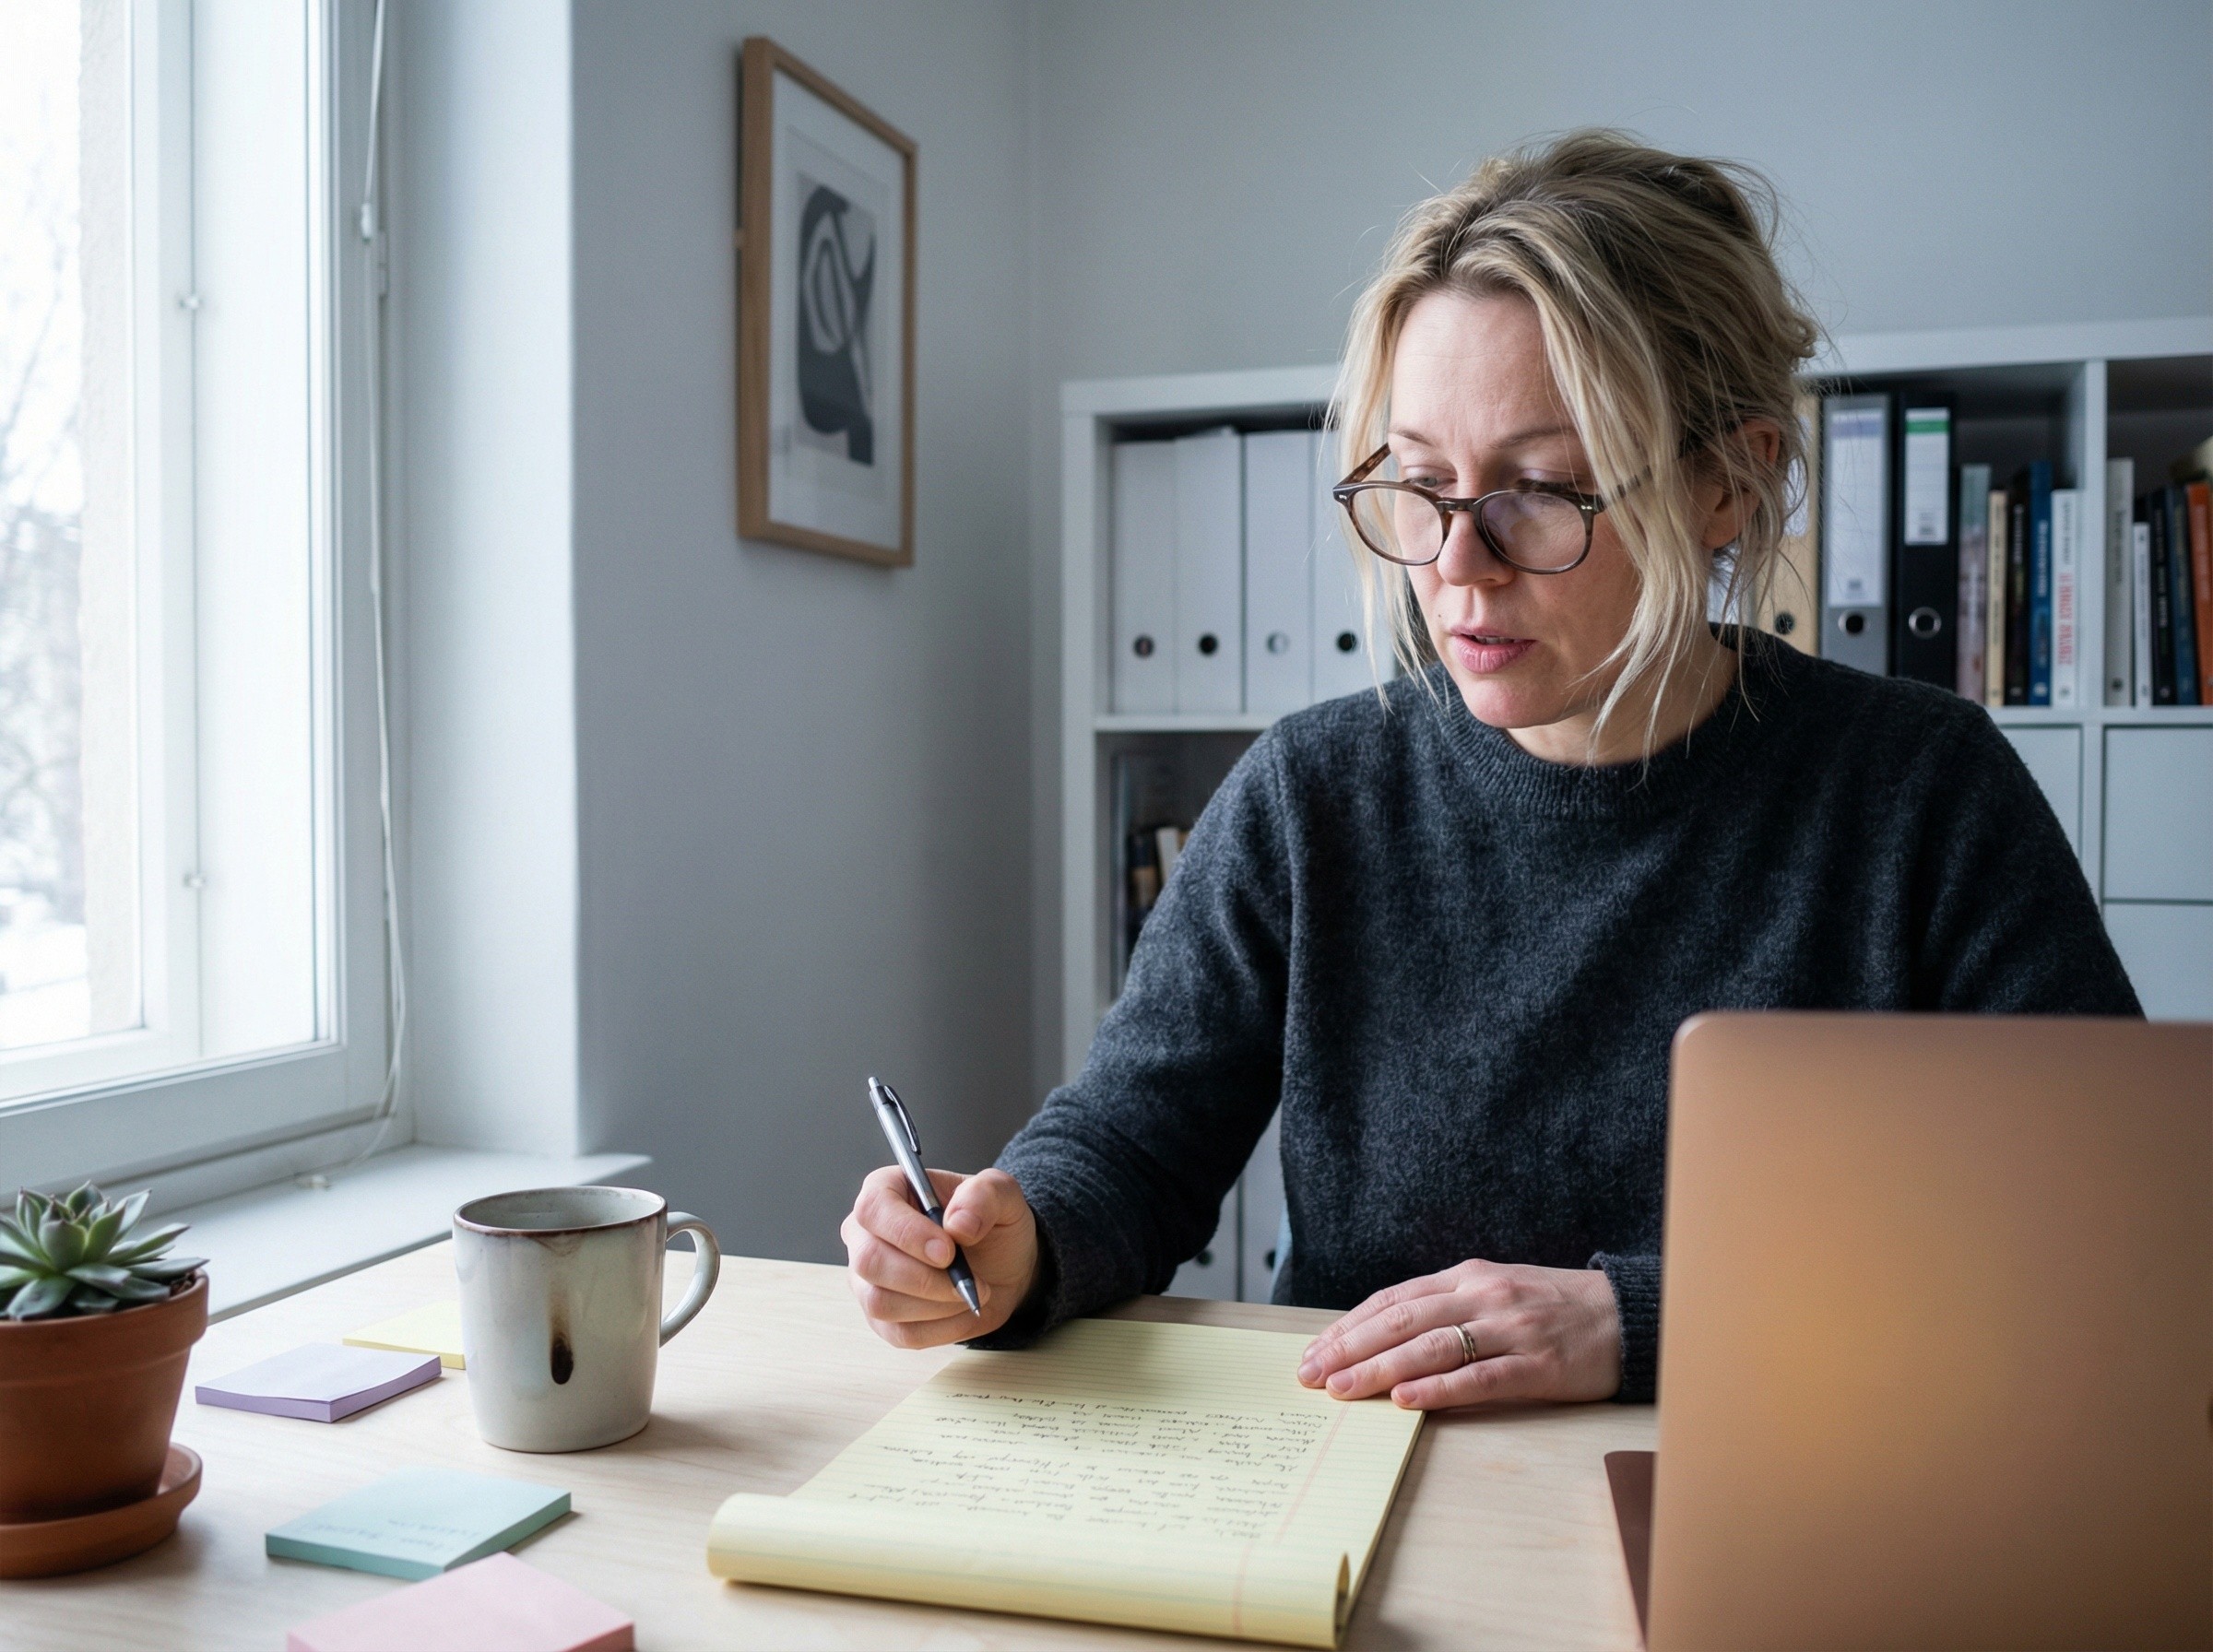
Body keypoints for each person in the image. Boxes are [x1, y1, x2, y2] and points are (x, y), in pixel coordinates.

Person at [840, 131, 2140, 1410]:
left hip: (1777, 1474)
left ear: (1727, 488)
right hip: (1355, 1485)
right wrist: (1020, 1236)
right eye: (1419, 485)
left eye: (1542, 490)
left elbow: (2102, 1227)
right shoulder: (1315, 795)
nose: (1456, 564)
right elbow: (1132, 1136)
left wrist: (1641, 1319)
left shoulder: (1921, 793)